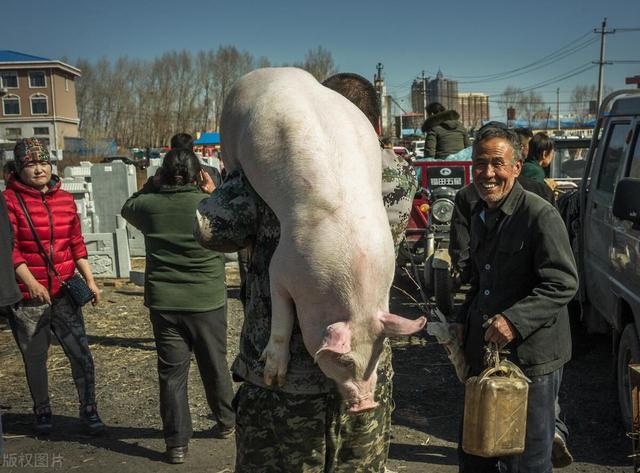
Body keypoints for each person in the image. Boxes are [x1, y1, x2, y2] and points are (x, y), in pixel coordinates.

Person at [194, 72, 416, 472]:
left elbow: (213, 232)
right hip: (368, 368)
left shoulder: (265, 168)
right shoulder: (399, 177)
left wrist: (232, 175)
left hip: (281, 380)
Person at [453, 124, 578, 472]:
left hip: (531, 363)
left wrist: (513, 320)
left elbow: (563, 282)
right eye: (480, 163)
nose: (487, 173)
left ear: (517, 167)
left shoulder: (539, 215)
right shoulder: (480, 213)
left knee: (527, 462)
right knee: (476, 453)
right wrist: (463, 319)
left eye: (497, 163)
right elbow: (481, 280)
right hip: (487, 358)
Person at [121, 148, 234, 464]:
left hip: (165, 303)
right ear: (200, 175)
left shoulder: (149, 205)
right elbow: (236, 221)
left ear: (162, 175)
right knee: (214, 364)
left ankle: (176, 445)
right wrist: (216, 191)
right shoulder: (210, 204)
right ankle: (226, 422)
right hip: (207, 301)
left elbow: (128, 207)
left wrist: (151, 186)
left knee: (171, 376)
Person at [3, 138, 104, 435]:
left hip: (63, 292)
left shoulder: (64, 199)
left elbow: (76, 243)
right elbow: (10, 248)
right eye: (31, 164)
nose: (39, 169)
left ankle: (89, 408)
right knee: (35, 356)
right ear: (19, 168)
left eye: (44, 163)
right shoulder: (8, 200)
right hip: (28, 297)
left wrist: (90, 280)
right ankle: (42, 409)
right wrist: (31, 283)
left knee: (81, 353)